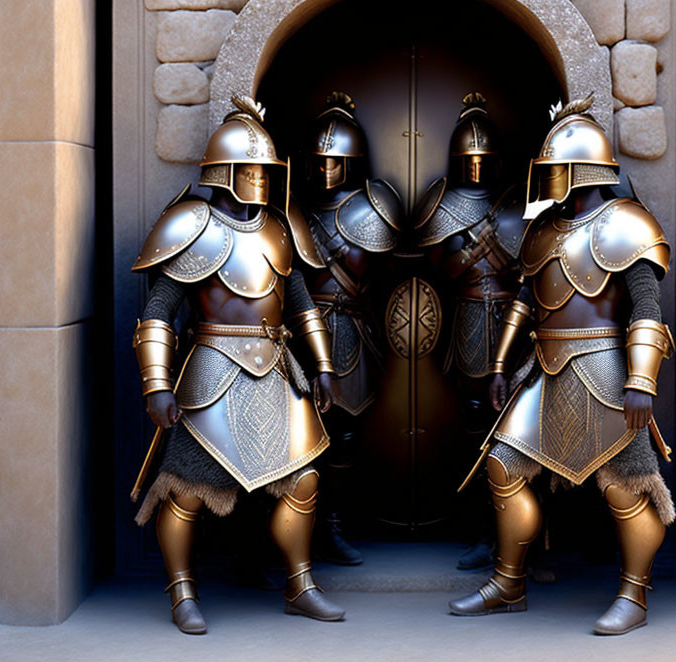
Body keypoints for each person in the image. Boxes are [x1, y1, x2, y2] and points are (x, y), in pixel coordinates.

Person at [448, 95, 676, 635]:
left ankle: (634, 595)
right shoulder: (545, 229)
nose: (549, 181)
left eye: (557, 170)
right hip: (544, 368)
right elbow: (525, 301)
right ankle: (508, 583)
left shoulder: (628, 224)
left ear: (580, 170)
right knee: (503, 465)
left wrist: (642, 381)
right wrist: (502, 364)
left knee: (628, 484)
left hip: (604, 371)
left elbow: (646, 307)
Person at [131, 95, 345, 634]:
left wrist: (321, 366)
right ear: (225, 170)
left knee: (302, 481)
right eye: (248, 168)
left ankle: (301, 584)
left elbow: (300, 304)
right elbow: (159, 310)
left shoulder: (279, 228)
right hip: (210, 372)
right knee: (183, 487)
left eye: (263, 169)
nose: (257, 178)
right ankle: (182, 592)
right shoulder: (192, 225)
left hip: (276, 370)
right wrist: (157, 384)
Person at [415, 93, 527, 570]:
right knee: (475, 424)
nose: (477, 168)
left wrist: (492, 252)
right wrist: (471, 252)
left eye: (484, 160)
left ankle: (518, 531)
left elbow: (531, 267)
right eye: (470, 160)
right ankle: (482, 527)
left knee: (520, 427)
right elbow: (437, 265)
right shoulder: (443, 203)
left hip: (513, 322)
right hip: (467, 320)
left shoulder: (517, 203)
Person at [297, 92, 403, 565]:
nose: (325, 171)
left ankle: (335, 526)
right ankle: (300, 529)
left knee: (344, 437)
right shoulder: (294, 210)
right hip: (301, 333)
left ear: (353, 162)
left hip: (353, 332)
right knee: (297, 435)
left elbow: (391, 275)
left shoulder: (372, 207)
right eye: (320, 162)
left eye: (335, 162)